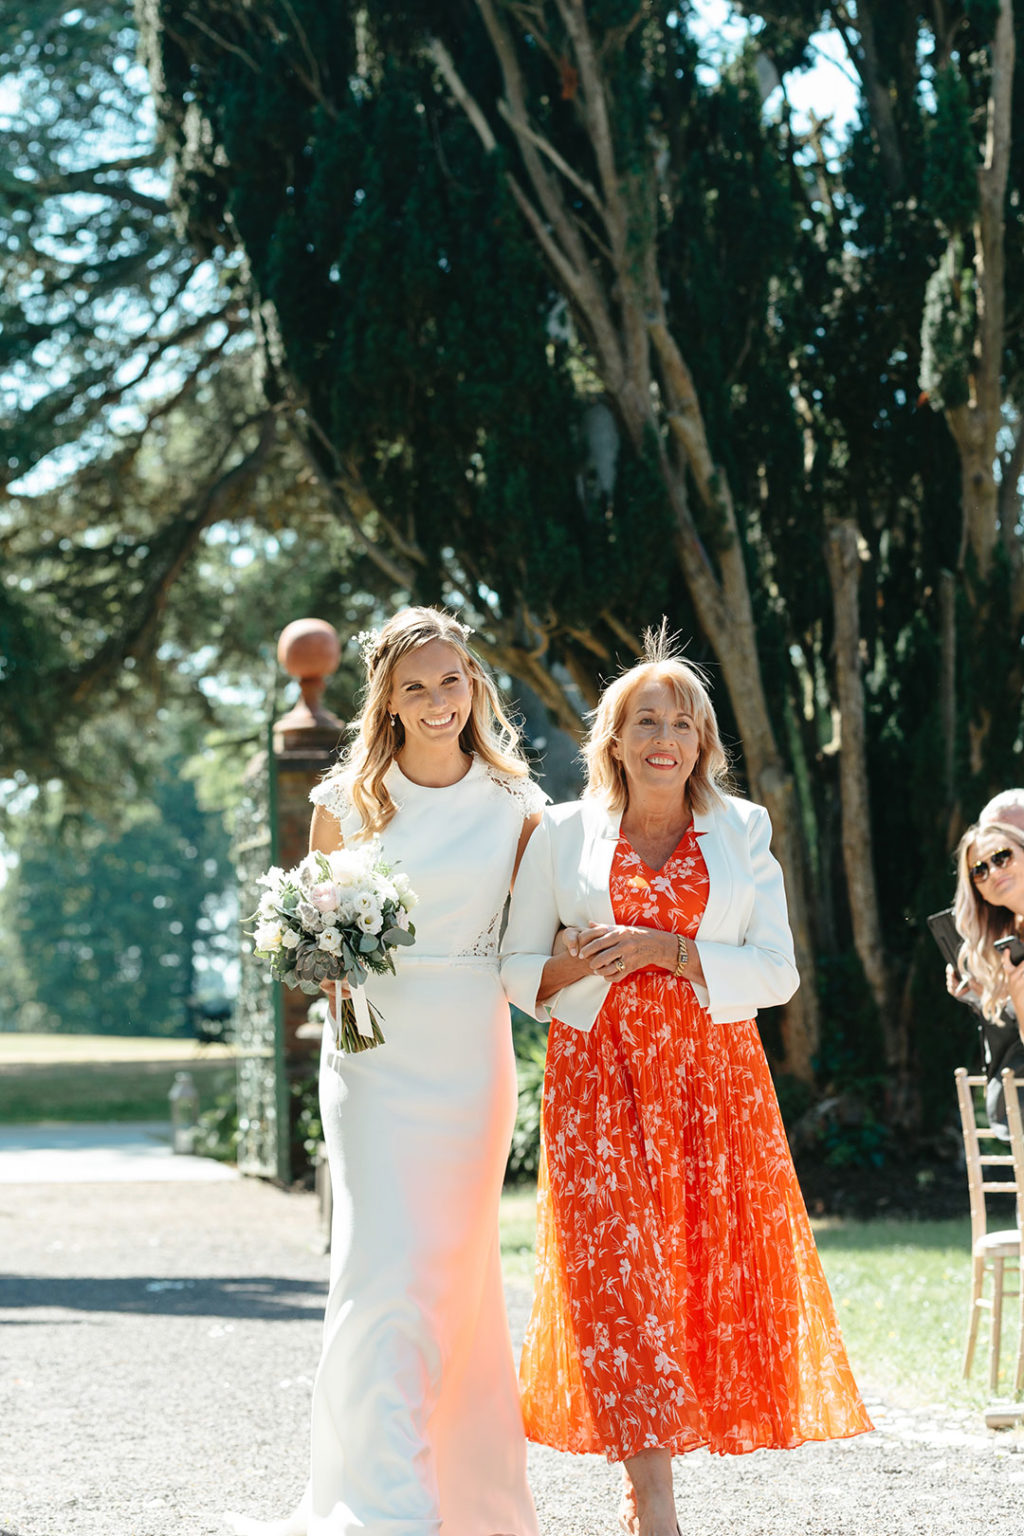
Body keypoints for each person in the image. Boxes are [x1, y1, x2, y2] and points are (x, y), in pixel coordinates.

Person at [501, 631, 871, 1536]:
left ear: (704, 742)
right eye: (645, 721)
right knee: (618, 1278)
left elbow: (777, 972)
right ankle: (650, 1497)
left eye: (682, 722)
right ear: (614, 739)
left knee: (696, 1277)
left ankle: (659, 1471)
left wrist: (670, 949)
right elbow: (513, 972)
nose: (664, 737)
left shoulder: (743, 829)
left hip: (715, 1084)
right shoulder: (558, 832)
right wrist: (571, 962)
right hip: (597, 1084)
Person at [230, 607, 543, 1536]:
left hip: (470, 1061)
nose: (440, 700)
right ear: (390, 703)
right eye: (418, 687)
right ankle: (381, 1506)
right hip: (370, 1064)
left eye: (454, 681)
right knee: (383, 1268)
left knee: (456, 1273)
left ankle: (470, 1499)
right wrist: (322, 961)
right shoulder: (343, 803)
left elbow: (533, 948)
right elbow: (305, 934)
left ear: (475, 686)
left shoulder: (520, 806)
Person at [951, 817, 1024, 1137]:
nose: (993, 872)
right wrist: (983, 997)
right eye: (979, 871)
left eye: (1002, 856)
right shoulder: (1010, 941)